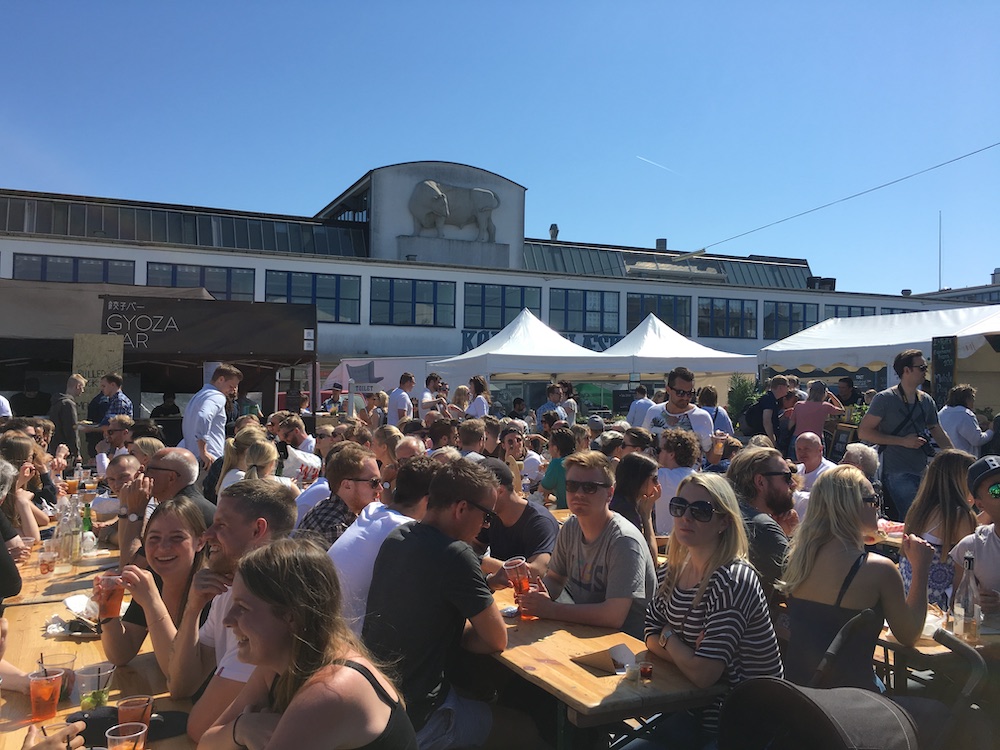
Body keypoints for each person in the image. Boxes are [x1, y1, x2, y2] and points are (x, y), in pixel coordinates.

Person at [364, 459, 544, 750]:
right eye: (486, 515)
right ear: (461, 508)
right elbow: (497, 640)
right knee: (526, 730)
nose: (486, 525)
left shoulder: (397, 538)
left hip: (379, 704)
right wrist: (465, 633)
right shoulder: (456, 554)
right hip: (422, 719)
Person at [199, 537, 418, 750]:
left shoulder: (331, 691)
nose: (227, 620)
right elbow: (205, 743)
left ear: (291, 617)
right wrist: (242, 729)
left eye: (243, 608)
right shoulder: (276, 667)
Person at [644, 473, 782, 744]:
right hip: (687, 711)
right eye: (679, 507)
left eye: (701, 511)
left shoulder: (732, 580)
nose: (686, 517)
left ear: (723, 522)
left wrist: (669, 636)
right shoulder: (670, 572)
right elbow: (649, 634)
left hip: (742, 723)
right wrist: (688, 653)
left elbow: (705, 675)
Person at [780, 465, 935, 690]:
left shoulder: (797, 558)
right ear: (852, 506)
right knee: (939, 702)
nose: (877, 508)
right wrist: (921, 569)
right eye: (873, 500)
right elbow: (909, 635)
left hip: (800, 695)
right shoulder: (878, 570)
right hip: (853, 702)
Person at [168, 479, 297, 742]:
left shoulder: (267, 603)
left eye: (222, 525)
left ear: (257, 530)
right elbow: (181, 685)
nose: (207, 533)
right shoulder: (229, 586)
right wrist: (193, 608)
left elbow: (200, 727)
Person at [520, 451, 657, 639]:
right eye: (572, 486)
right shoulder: (570, 527)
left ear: (610, 494)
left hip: (625, 648)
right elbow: (555, 579)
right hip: (584, 633)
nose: (579, 494)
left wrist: (551, 609)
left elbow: (613, 616)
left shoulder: (624, 541)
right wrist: (536, 597)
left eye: (590, 487)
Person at [97, 496, 208, 674]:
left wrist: (151, 602)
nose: (163, 547)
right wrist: (108, 610)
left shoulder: (210, 592)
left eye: (177, 538)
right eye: (154, 538)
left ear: (200, 542)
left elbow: (179, 675)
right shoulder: (154, 580)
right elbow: (120, 654)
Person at [330, 456, 437, 636]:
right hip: (344, 641)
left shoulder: (372, 511)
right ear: (428, 500)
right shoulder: (407, 533)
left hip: (319, 625)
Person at [859, 349, 954, 520]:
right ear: (906, 370)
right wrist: (902, 441)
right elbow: (864, 432)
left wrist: (956, 457)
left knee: (925, 516)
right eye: (922, 367)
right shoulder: (884, 399)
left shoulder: (926, 400)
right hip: (896, 470)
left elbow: (938, 431)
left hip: (922, 470)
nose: (926, 371)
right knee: (914, 517)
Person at [900, 449, 978, 610]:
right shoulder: (960, 515)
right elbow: (965, 570)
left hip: (911, 598)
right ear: (960, 480)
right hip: (940, 605)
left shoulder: (919, 510)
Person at [725, 446, 794, 605]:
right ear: (760, 482)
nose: (791, 484)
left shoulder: (725, 514)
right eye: (786, 476)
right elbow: (797, 583)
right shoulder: (763, 527)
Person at [476, 457, 560, 585]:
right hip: (502, 596)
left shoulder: (540, 522)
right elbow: (476, 546)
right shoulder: (491, 515)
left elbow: (536, 573)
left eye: (478, 494)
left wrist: (479, 561)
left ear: (499, 491)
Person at [297, 443, 381, 546]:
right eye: (374, 482)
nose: (380, 488)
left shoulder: (332, 509)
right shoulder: (334, 525)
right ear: (347, 485)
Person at [949, 455, 1000, 617]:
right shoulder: (971, 547)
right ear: (980, 504)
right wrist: (974, 601)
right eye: (996, 490)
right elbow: (956, 608)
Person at [182, 364, 243, 472]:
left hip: (194, 459)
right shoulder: (217, 396)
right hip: (209, 461)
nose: (233, 390)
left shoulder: (198, 396)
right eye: (231, 386)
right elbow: (204, 415)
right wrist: (203, 451)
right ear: (221, 379)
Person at [641, 367, 714, 453]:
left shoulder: (702, 417)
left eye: (690, 393)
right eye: (680, 393)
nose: (686, 397)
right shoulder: (653, 412)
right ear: (668, 390)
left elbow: (712, 457)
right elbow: (643, 443)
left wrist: (718, 445)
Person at [610, 451, 660, 563]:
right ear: (639, 480)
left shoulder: (618, 502)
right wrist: (646, 516)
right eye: (655, 479)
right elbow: (650, 561)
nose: (657, 485)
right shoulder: (625, 512)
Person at [654, 428, 701, 535]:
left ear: (671, 454)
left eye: (659, 450)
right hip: (691, 539)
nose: (657, 454)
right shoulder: (698, 477)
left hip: (665, 542)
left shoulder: (661, 476)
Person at [938, 384, 994, 457]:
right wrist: (991, 430)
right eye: (972, 399)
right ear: (967, 400)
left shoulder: (941, 413)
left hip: (944, 458)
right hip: (963, 459)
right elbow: (977, 440)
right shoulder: (965, 414)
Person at [789, 380, 844, 449]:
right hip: (816, 439)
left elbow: (790, 425)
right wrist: (831, 395)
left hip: (798, 438)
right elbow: (841, 410)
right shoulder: (825, 406)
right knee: (817, 459)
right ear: (824, 393)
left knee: (795, 459)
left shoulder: (798, 405)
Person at [47, 374, 86, 460]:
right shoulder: (69, 404)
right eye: (82, 387)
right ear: (78, 386)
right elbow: (71, 429)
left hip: (54, 446)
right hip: (66, 450)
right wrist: (76, 453)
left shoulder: (57, 402)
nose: (83, 391)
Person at [540, 428, 575, 509]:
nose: (548, 449)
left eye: (548, 445)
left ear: (555, 448)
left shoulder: (557, 464)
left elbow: (541, 494)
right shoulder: (579, 461)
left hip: (566, 514)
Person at [758, 375, 789, 445]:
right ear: (780, 387)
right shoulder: (769, 399)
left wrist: (783, 416)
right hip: (764, 439)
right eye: (787, 386)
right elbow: (767, 421)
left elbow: (772, 419)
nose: (788, 389)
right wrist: (772, 440)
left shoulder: (773, 399)